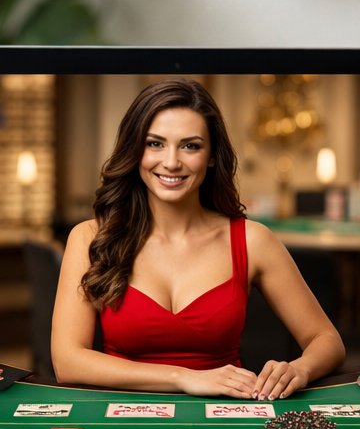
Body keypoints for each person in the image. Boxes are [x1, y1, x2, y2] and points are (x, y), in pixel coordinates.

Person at [52, 78, 344, 399]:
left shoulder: (252, 240)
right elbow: (67, 362)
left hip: (224, 418)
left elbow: (326, 339)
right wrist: (184, 378)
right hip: (123, 420)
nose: (172, 161)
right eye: (155, 143)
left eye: (190, 145)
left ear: (212, 156)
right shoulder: (90, 237)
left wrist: (299, 369)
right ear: (135, 151)